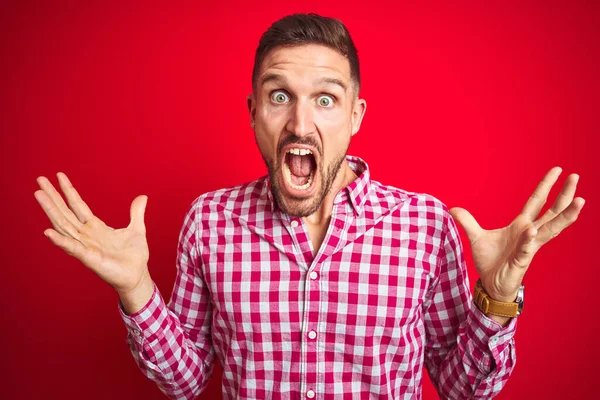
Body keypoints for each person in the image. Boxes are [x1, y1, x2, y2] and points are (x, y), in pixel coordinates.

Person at [34, 13, 585, 400]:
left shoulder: (425, 226)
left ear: (356, 116)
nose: (300, 124)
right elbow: (185, 381)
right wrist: (136, 290)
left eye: (325, 98)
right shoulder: (209, 222)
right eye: (280, 96)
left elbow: (466, 391)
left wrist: (499, 294)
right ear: (253, 112)